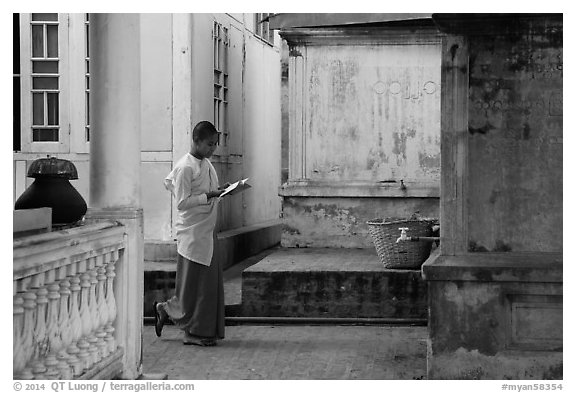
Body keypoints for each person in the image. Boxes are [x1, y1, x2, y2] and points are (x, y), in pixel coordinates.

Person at [153, 120, 229, 346]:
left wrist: (221, 191)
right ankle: (191, 331)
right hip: (193, 232)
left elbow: (207, 190)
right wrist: (210, 195)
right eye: (209, 144)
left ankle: (189, 323)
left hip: (207, 229)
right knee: (193, 285)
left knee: (208, 284)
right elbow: (182, 203)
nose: (213, 149)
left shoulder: (206, 163)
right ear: (196, 141)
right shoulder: (186, 167)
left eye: (215, 144)